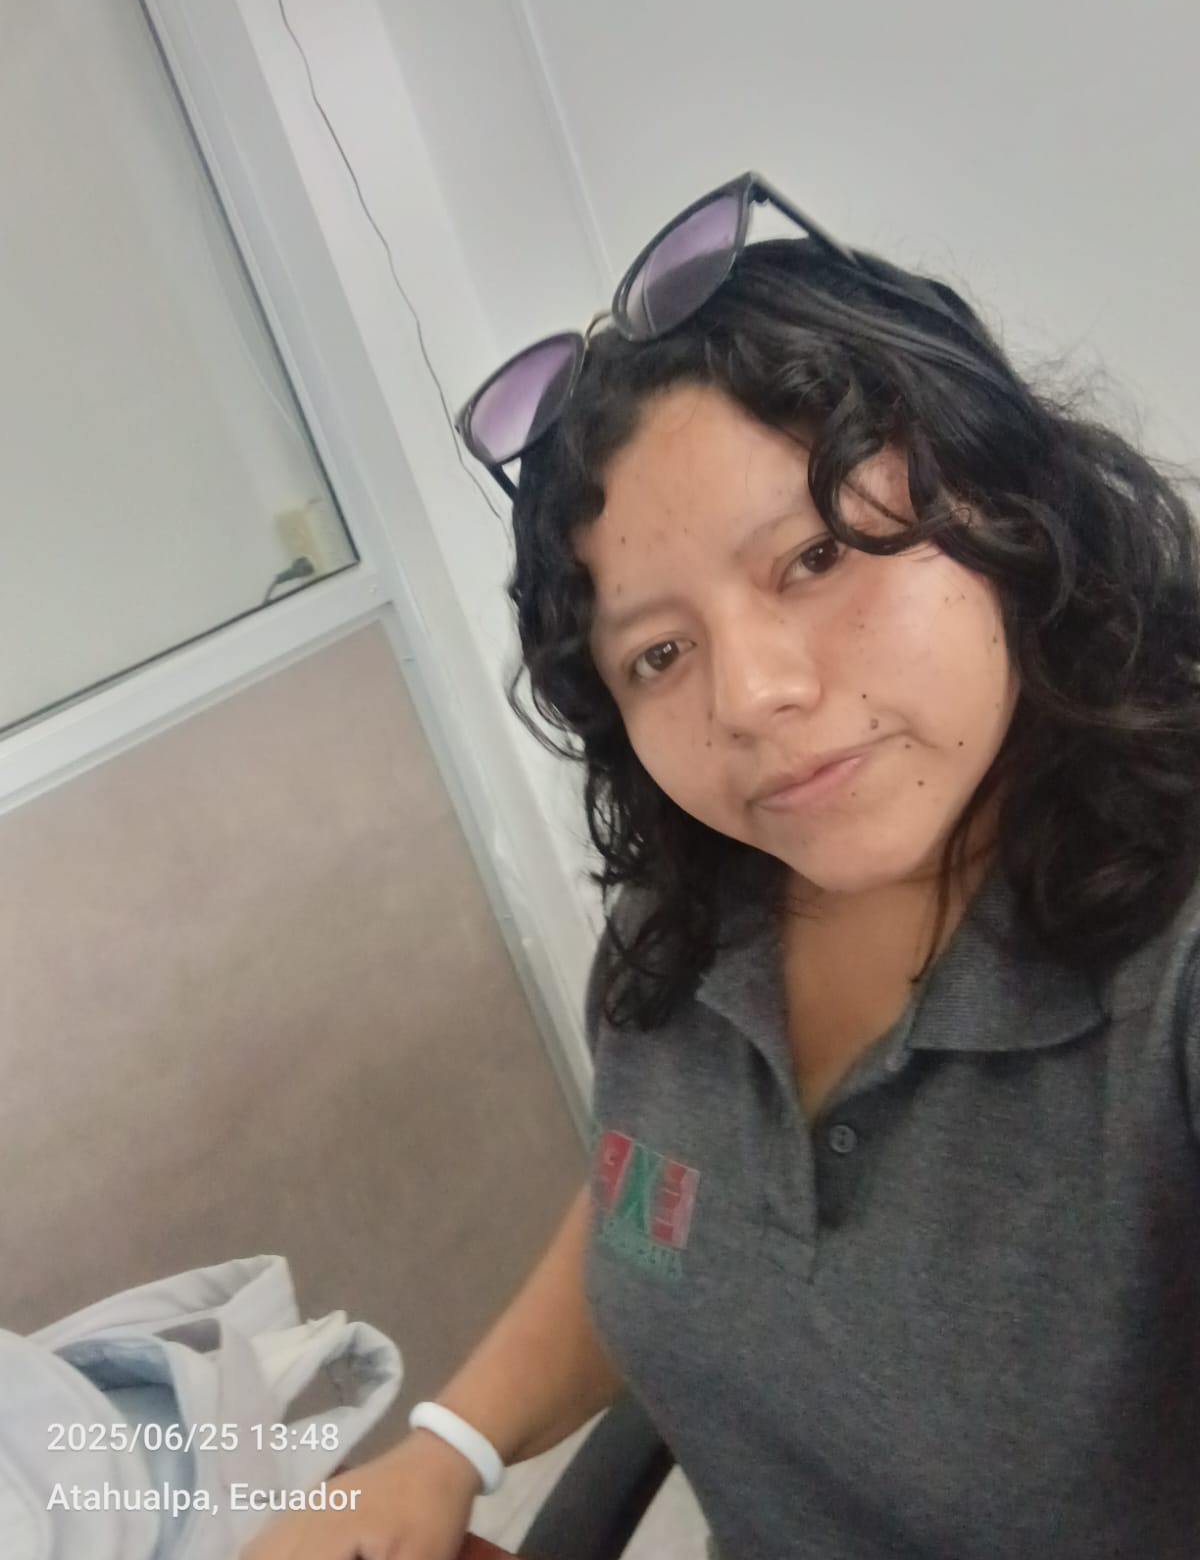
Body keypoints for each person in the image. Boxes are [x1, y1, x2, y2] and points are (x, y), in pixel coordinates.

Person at [242, 174, 1200, 1560]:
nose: (749, 698)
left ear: (1007, 511)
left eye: (814, 554)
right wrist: (446, 1448)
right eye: (659, 652)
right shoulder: (697, 915)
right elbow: (654, 1205)